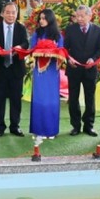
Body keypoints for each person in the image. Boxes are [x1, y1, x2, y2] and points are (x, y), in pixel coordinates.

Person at [64, 4, 100, 137]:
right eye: (77, 16)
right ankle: (75, 126)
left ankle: (89, 125)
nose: (79, 19)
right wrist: (68, 59)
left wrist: (93, 59)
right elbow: (65, 49)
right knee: (73, 98)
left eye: (82, 16)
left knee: (89, 98)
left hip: (89, 69)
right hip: (74, 69)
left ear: (89, 16)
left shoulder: (98, 30)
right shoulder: (70, 29)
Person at [0, 2, 29, 137]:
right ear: (2, 13)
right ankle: (0, 127)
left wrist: (19, 47)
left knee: (16, 99)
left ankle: (15, 126)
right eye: (8, 12)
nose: (11, 15)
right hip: (0, 68)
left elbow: (26, 43)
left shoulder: (21, 28)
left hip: (16, 69)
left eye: (13, 12)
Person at [28, 8, 64, 139]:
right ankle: (38, 130)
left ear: (50, 19)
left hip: (52, 72)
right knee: (39, 98)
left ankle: (51, 130)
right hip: (39, 71)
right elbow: (32, 50)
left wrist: (52, 51)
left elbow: (61, 51)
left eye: (44, 18)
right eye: (40, 18)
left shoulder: (58, 36)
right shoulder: (36, 34)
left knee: (51, 99)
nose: (41, 21)